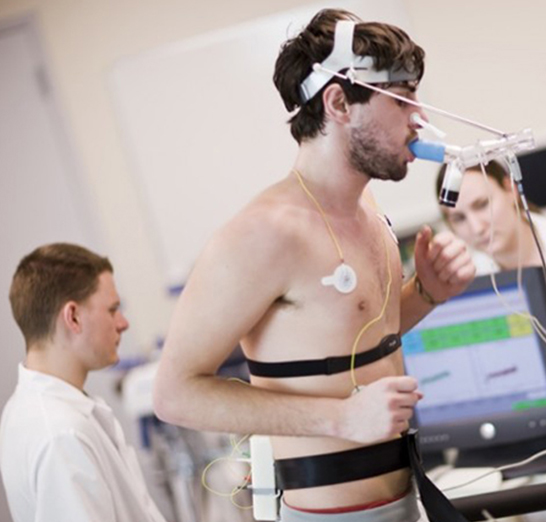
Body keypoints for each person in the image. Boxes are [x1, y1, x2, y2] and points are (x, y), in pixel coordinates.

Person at [154, 8, 475, 522]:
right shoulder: (263, 234)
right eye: (402, 97)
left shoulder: (368, 212)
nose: (420, 117)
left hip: (405, 500)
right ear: (338, 103)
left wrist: (427, 294)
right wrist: (342, 418)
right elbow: (175, 395)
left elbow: (351, 342)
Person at [0, 243, 167, 522]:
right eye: (113, 310)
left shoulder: (37, 409)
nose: (123, 323)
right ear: (73, 317)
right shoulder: (61, 433)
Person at [436, 160, 546, 320]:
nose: (476, 228)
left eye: (482, 205)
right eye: (459, 218)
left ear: (510, 189)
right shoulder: (468, 286)